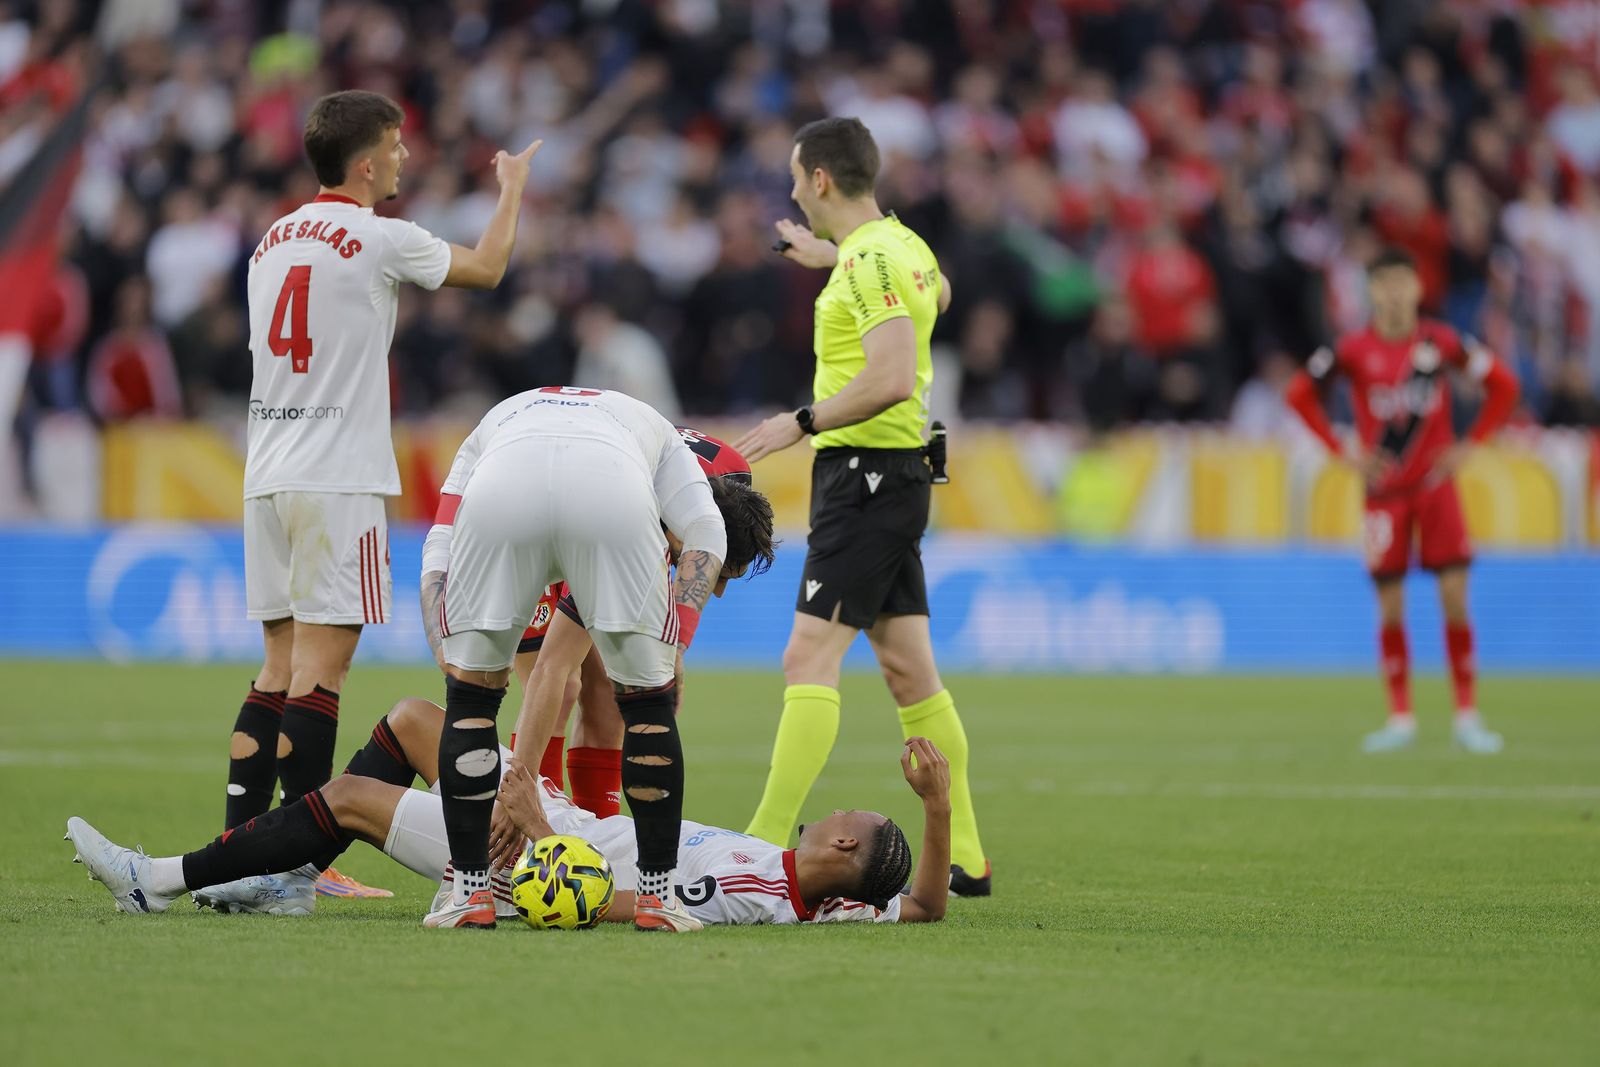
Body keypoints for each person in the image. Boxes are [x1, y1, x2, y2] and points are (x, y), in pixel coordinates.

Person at [232, 89, 540, 898]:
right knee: (319, 677)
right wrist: (510, 189)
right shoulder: (377, 236)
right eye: (398, 149)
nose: (406, 159)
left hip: (266, 471)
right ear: (365, 163)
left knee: (274, 666)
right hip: (338, 477)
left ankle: (236, 841)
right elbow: (487, 266)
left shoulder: (270, 241)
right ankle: (298, 862)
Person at [63, 699, 952, 926]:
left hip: (530, 858)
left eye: (851, 811)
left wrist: (531, 824)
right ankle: (290, 878)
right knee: (417, 721)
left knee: (351, 799)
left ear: (842, 839)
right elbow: (922, 905)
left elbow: (615, 899)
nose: (835, 805)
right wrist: (937, 806)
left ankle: (156, 881)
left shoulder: (747, 887)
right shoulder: (827, 900)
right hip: (556, 819)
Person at [735, 117, 991, 895]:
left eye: (793, 175)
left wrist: (797, 422)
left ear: (819, 179)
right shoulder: (897, 245)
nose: (788, 190)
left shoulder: (874, 256)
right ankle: (969, 860)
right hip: (892, 474)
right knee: (910, 669)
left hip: (868, 474)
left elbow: (889, 373)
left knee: (806, 657)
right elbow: (938, 296)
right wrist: (834, 257)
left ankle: (760, 844)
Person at [417, 388, 775, 930]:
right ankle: (638, 888)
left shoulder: (728, 482)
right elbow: (555, 669)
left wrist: (443, 638)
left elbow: (440, 540)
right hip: (608, 499)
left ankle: (482, 887)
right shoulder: (665, 509)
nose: (718, 590)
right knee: (611, 692)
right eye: (720, 577)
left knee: (486, 695)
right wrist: (523, 781)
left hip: (507, 487)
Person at [1285, 248, 1520, 753]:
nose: (1393, 293)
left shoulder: (1442, 342)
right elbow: (1299, 394)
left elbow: (1504, 386)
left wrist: (1470, 445)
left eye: (1401, 283)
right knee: (1390, 609)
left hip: (1436, 488)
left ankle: (1466, 714)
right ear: (1371, 291)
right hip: (1382, 495)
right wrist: (1341, 450)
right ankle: (1400, 717)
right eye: (1383, 284)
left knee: (1454, 599)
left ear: (1416, 288)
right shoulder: (1351, 350)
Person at [510, 428, 755, 824]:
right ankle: (530, 825)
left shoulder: (728, 490)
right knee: (559, 682)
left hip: (597, 512)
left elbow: (695, 569)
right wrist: (671, 655)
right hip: (532, 517)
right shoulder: (648, 518)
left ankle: (598, 838)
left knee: (608, 696)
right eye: (720, 577)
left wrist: (673, 650)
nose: (718, 590)